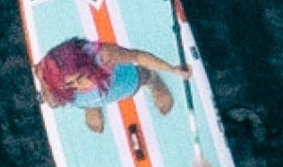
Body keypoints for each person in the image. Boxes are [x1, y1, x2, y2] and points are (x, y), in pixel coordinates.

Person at [31, 35, 181, 130]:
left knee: (141, 77)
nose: (77, 86)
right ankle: (92, 106)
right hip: (90, 98)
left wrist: (172, 69)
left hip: (117, 81)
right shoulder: (51, 76)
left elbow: (138, 56)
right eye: (69, 85)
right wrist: (49, 87)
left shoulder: (103, 56)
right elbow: (39, 71)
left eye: (80, 78)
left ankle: (153, 79)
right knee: (81, 100)